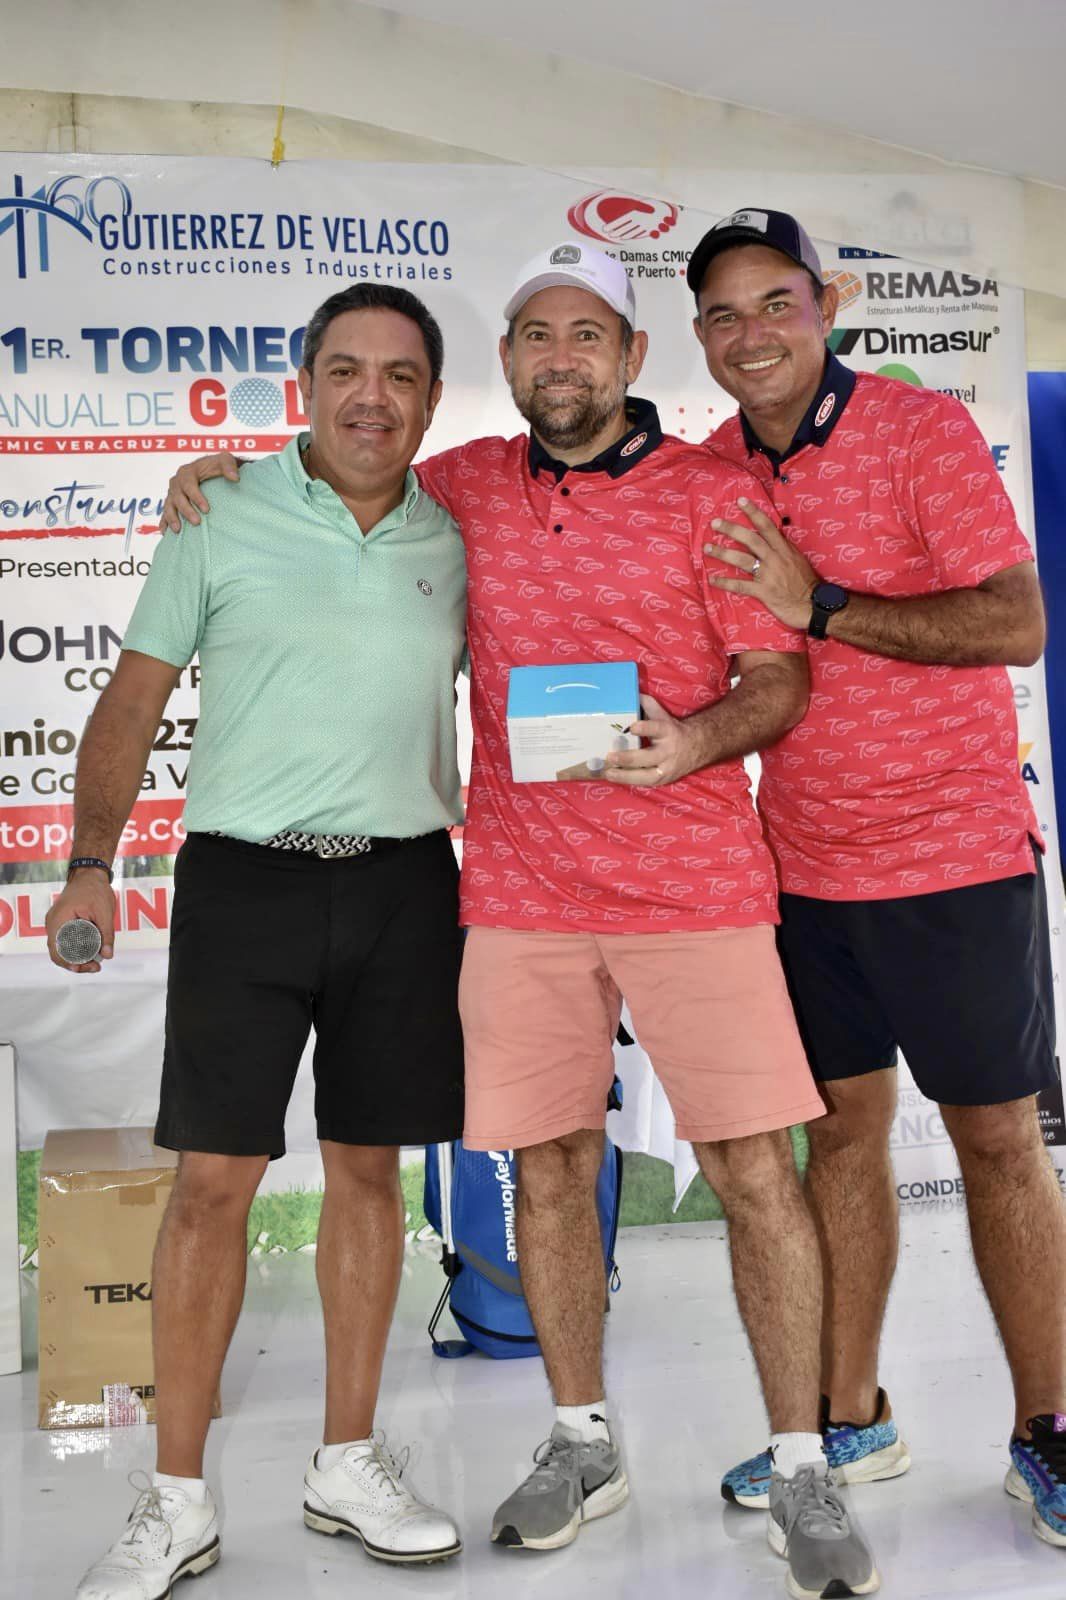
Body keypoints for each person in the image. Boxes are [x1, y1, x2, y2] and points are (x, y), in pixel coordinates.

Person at [162, 241, 881, 1598]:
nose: (561, 358)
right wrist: (218, 477)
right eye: (536, 336)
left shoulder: (712, 492)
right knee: (549, 1171)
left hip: (694, 891)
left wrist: (693, 740)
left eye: (586, 334)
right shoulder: (464, 485)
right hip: (518, 894)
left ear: (630, 355)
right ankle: (579, 1437)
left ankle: (802, 1463)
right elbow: (339, 469)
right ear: (504, 362)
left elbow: (776, 679)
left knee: (753, 1173)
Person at [47, 283, 468, 1600]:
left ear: (430, 399)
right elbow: (132, 702)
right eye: (345, 370)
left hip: (405, 883)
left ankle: (347, 1462)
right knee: (212, 1184)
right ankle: (175, 1499)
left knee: (367, 1174)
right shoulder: (216, 514)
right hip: (245, 883)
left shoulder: (460, 532)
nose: (370, 397)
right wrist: (89, 865)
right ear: (305, 387)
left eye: (399, 375)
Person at [685, 207, 1065, 1551]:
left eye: (774, 303)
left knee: (995, 1142)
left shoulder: (920, 432)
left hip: (955, 859)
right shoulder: (705, 470)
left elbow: (1015, 620)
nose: (752, 334)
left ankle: (1047, 1430)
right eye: (723, 314)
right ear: (699, 335)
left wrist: (827, 605)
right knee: (840, 1137)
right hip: (799, 868)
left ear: (825, 304)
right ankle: (849, 1416)